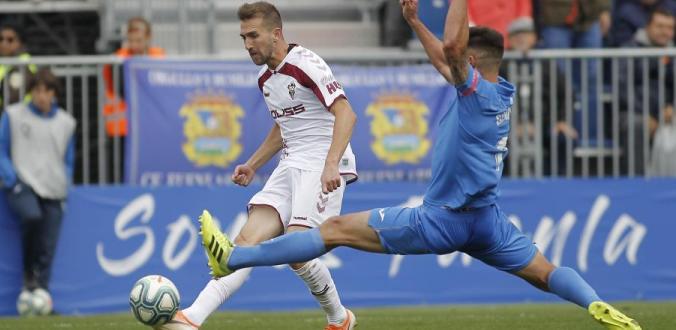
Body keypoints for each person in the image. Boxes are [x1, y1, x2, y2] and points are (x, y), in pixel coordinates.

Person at [197, 1, 641, 329]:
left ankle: (236, 258)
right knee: (545, 273)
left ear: (468, 64)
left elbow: (450, 47)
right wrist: (413, 21)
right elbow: (445, 57)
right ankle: (595, 302)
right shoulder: (498, 93)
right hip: (488, 222)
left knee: (329, 232)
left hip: (441, 219)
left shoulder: (470, 89)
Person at [161, 2, 358, 330]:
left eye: (253, 35)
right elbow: (284, 126)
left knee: (297, 251)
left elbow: (346, 113)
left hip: (320, 164)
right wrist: (253, 165)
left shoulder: (306, 64)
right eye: (243, 37)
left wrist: (331, 164)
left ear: (276, 33)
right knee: (244, 243)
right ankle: (190, 319)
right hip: (290, 163)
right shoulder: (266, 78)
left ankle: (339, 318)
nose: (248, 44)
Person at [0, 68, 76, 302]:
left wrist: (65, 182)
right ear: (31, 92)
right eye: (37, 90)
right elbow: (2, 149)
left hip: (54, 188)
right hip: (23, 183)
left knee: (48, 244)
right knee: (32, 217)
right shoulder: (13, 115)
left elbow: (68, 159)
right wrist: (11, 178)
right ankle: (28, 276)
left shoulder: (66, 122)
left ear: (54, 93)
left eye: (47, 91)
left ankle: (41, 294)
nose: (41, 96)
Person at [102, 17, 165, 182]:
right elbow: (120, 89)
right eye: (130, 41)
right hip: (122, 129)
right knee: (119, 177)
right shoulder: (118, 60)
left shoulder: (159, 57)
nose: (134, 45)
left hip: (150, 129)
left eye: (138, 40)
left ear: (148, 38)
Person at [618, 8, 675, 175]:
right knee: (636, 125)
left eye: (670, 28)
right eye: (660, 26)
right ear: (647, 26)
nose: (665, 32)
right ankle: (638, 185)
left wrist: (672, 109)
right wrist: (647, 115)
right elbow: (622, 88)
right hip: (633, 113)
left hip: (668, 115)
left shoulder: (673, 53)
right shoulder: (629, 50)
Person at [0, 22, 36, 107]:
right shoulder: (4, 61)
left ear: (21, 43)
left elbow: (13, 96)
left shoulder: (24, 62)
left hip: (21, 114)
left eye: (10, 40)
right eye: (1, 39)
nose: (4, 44)